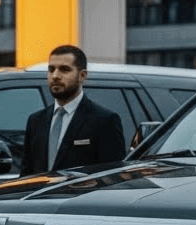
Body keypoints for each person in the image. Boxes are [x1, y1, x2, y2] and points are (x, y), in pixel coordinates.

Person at [20, 44, 126, 176]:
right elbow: (26, 176)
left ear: (82, 75)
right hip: (39, 196)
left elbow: (112, 178)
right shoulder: (36, 121)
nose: (55, 76)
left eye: (64, 70)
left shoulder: (104, 121)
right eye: (51, 69)